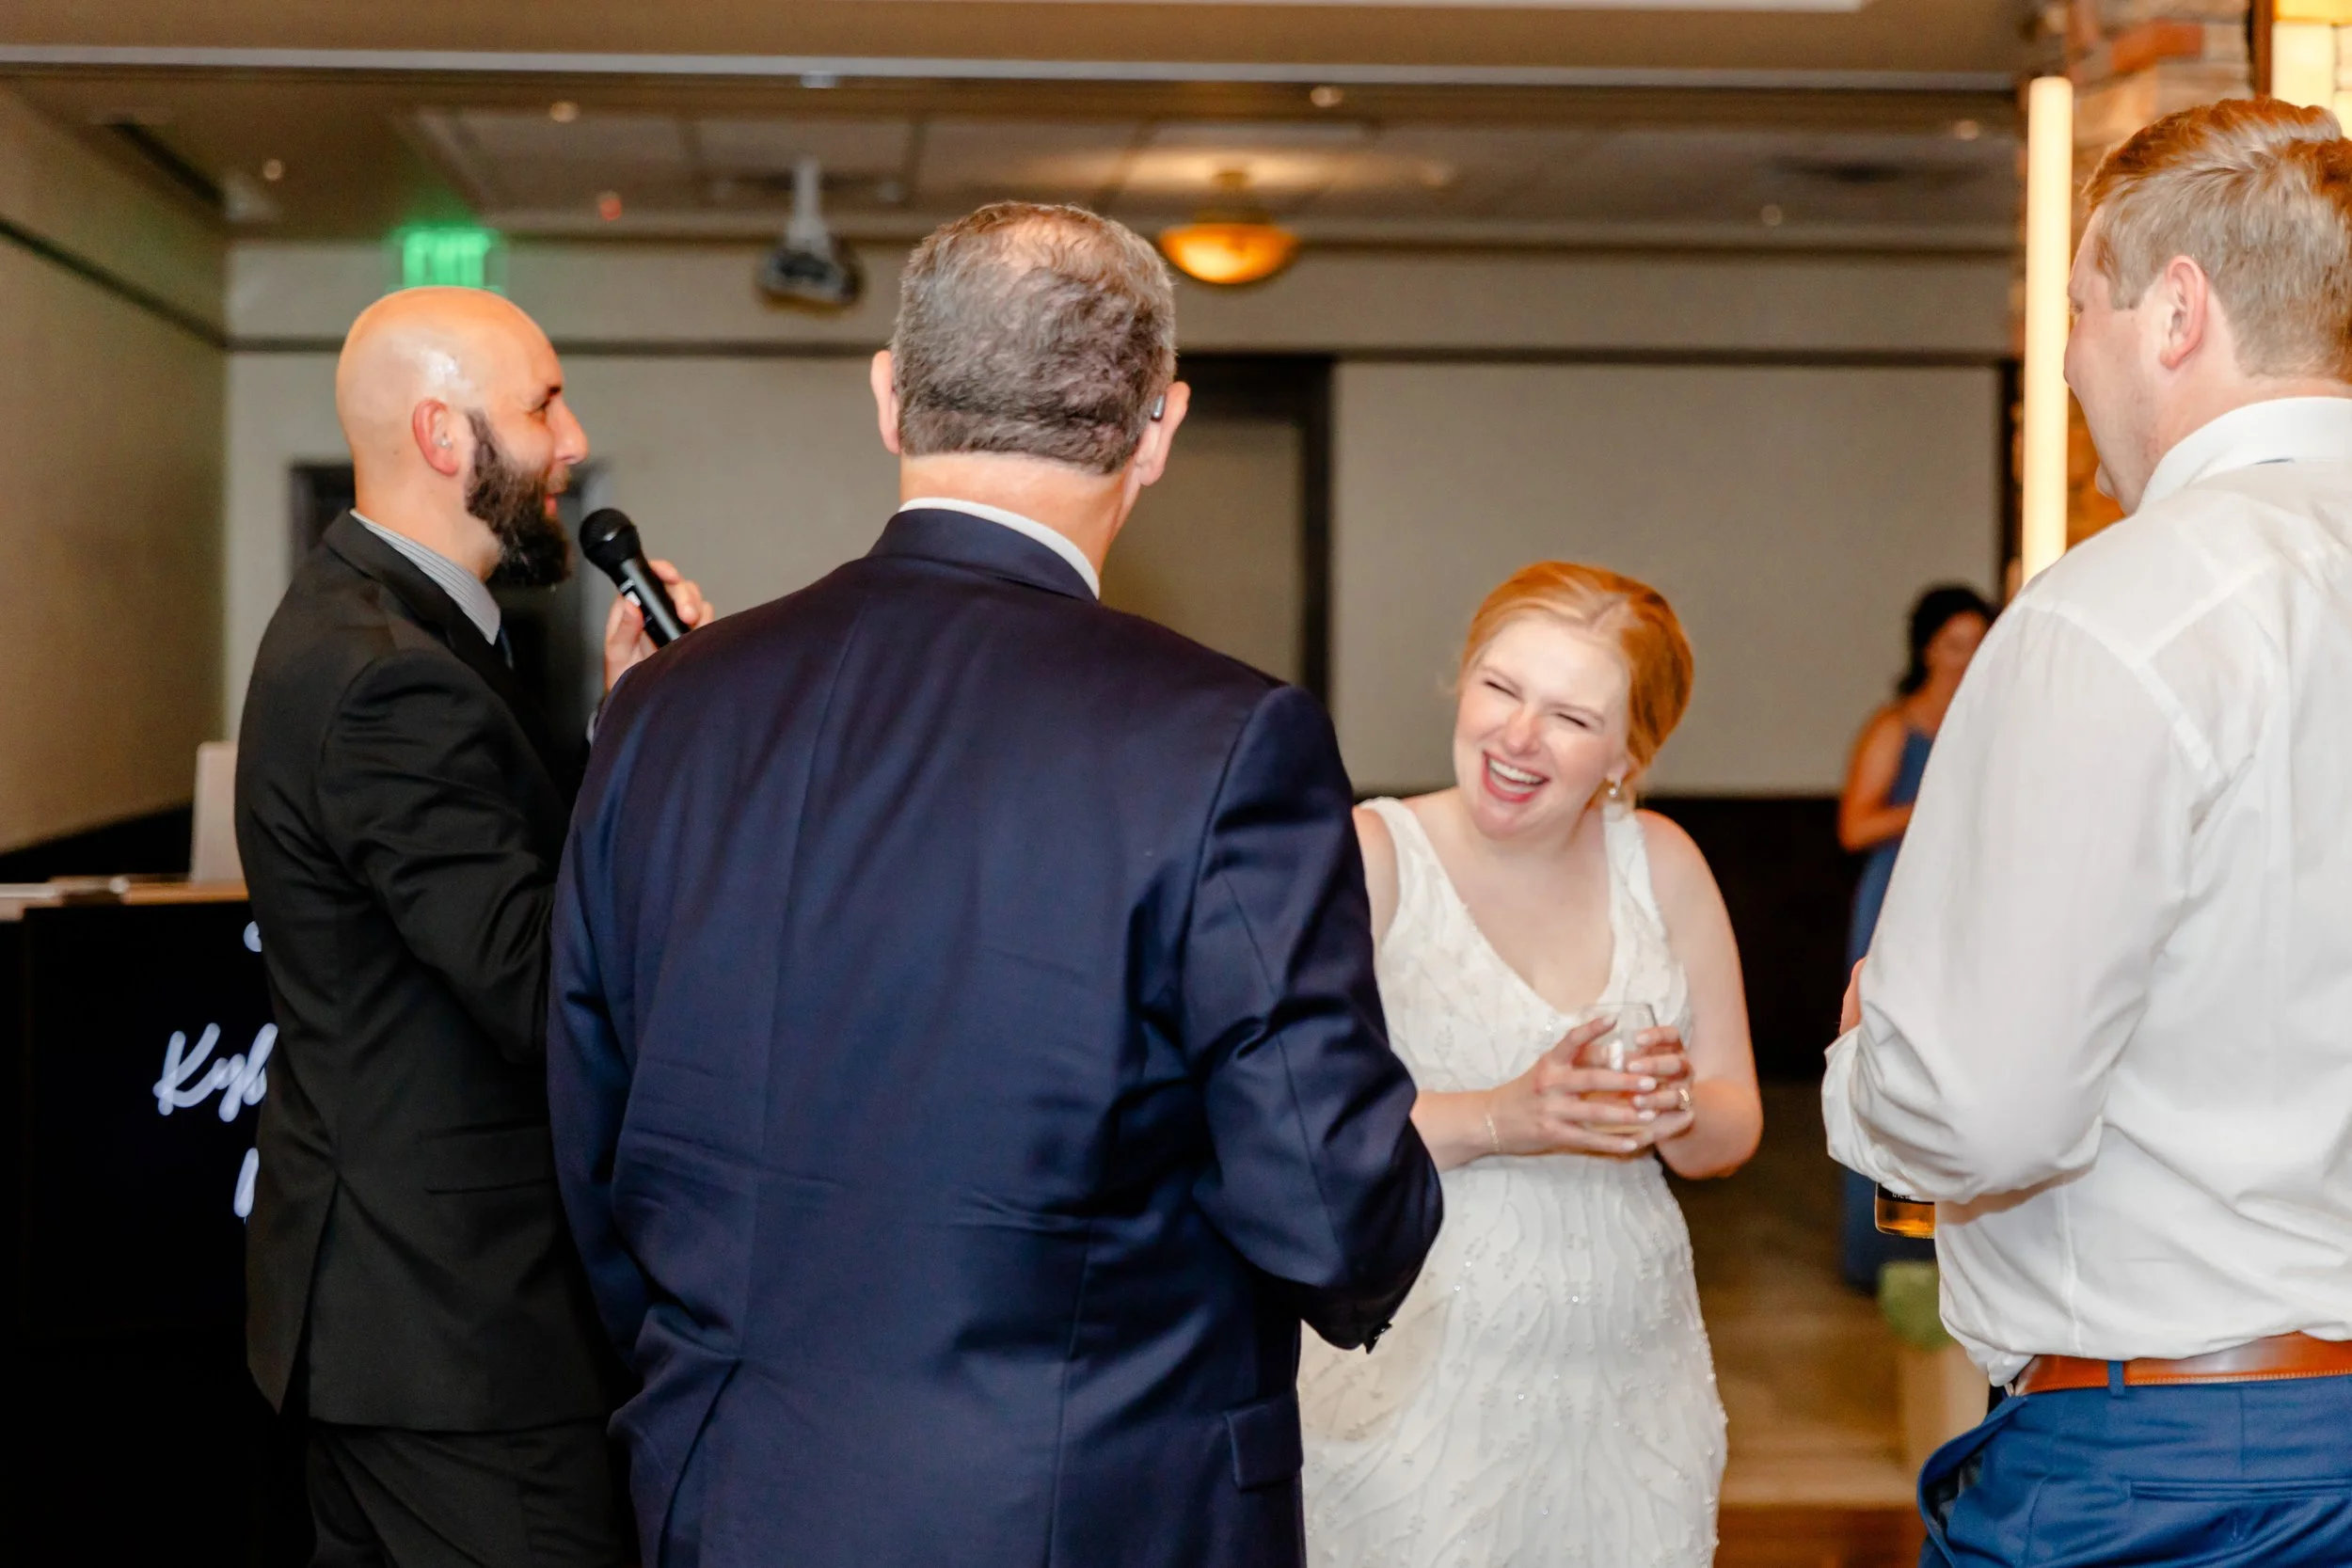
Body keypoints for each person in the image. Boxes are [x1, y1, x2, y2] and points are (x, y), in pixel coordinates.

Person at [546, 203, 1443, 1568]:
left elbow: (592, 1127)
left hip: (724, 1482)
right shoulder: (1219, 736)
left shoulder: (665, 707)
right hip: (1091, 1503)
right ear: (1158, 427)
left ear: (890, 395)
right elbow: (1329, 1210)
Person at [1823, 98, 2352, 1566]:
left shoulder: (2121, 612)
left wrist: (1873, 1069)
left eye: (2078, 308)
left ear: (2175, 310)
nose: (2066, 360)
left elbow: (1989, 1110)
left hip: (2182, 1467)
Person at [236, 286, 710, 1568]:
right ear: (446, 436)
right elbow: (538, 980)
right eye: (544, 405)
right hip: (450, 1328)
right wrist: (657, 744)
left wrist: (620, 721)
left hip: (409, 1315)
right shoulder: (387, 671)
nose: (572, 441)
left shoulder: (409, 629)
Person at [1299, 562, 1763, 1568]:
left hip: (1631, 1380)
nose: (1516, 736)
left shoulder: (1664, 862)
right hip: (1411, 1378)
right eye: (1500, 688)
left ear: (1626, 752)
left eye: (1569, 716)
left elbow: (1731, 1125)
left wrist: (1672, 1106)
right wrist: (1508, 1114)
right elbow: (1300, 1126)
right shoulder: (1371, 855)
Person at [1832, 584, 1992, 1291]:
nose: (1967, 659)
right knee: (1891, 1065)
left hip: (1970, 903)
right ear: (1928, 647)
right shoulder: (1896, 727)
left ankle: (1955, 1253)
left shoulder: (1992, 720)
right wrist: (1928, 805)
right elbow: (1854, 826)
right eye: (1955, 644)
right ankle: (1888, 1251)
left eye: (1978, 643)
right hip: (1896, 902)